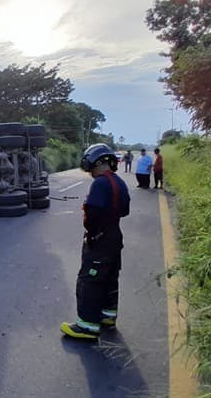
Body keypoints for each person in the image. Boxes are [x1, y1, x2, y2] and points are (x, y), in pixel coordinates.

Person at [61, 143, 130, 339]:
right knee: (109, 277)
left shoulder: (100, 183)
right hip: (114, 236)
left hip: (100, 239)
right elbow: (125, 211)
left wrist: (91, 233)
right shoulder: (119, 182)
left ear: (96, 163)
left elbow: (92, 213)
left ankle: (87, 326)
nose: (90, 172)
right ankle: (107, 315)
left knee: (89, 280)